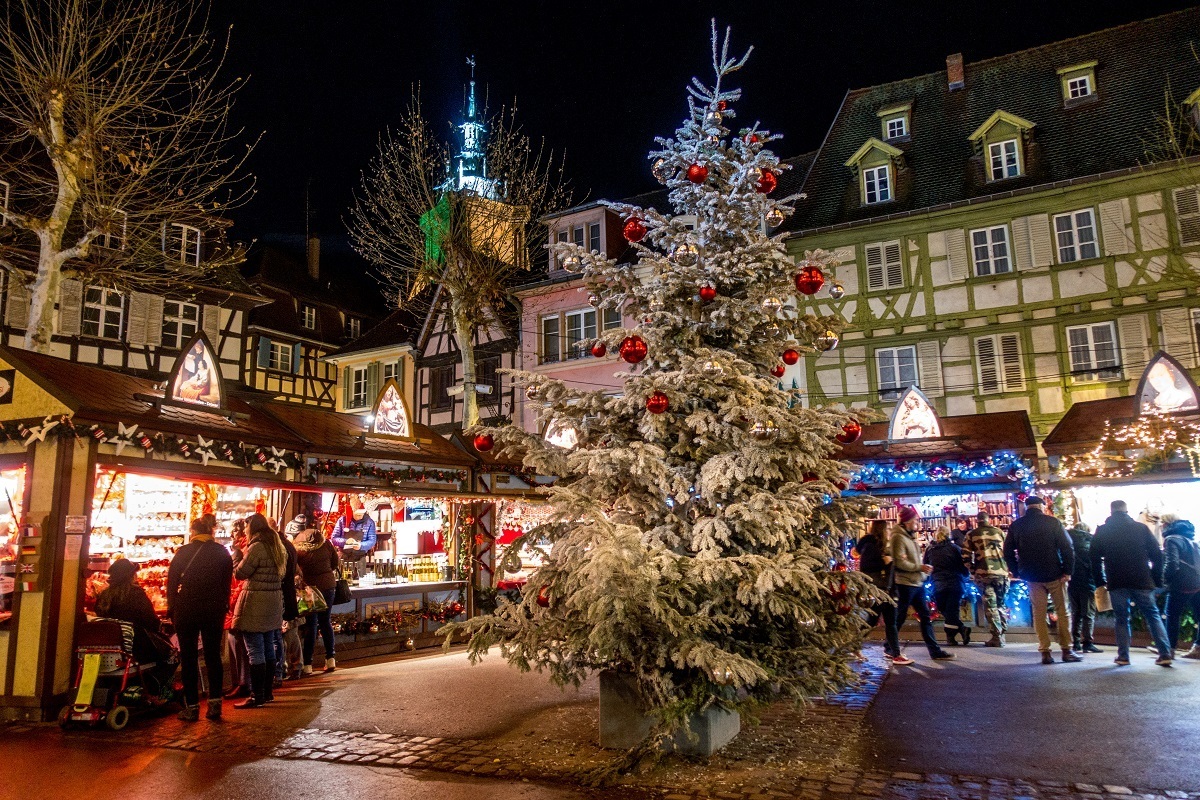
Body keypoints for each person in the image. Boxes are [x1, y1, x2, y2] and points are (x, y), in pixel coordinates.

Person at [1091, 500, 1174, 667]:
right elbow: (1157, 555)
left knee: (1121, 618)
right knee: (1153, 615)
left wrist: (1100, 581)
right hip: (1142, 579)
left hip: (1116, 580)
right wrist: (1155, 579)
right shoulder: (1140, 528)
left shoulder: (1103, 531)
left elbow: (1093, 557)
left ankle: (1123, 656)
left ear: (1111, 511)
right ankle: (1165, 653)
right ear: (1127, 510)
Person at [168, 515, 234, 721]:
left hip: (187, 608)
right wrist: (223, 604)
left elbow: (171, 583)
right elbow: (227, 584)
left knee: (188, 658)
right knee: (213, 656)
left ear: (194, 532)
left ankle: (192, 706)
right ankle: (215, 704)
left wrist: (172, 607)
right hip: (213, 609)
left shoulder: (183, 552)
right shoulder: (222, 552)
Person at [1004, 496, 1080, 665]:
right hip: (1055, 573)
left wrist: (1016, 571)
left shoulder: (1017, 525)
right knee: (1062, 612)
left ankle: (1045, 651)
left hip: (1031, 576)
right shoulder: (1052, 523)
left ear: (1026, 507)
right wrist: (1067, 571)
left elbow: (1007, 551)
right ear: (1041, 506)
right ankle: (1067, 649)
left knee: (1038, 613)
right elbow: (1067, 548)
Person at [96, 557, 174, 698]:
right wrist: (163, 626)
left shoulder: (103, 596)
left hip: (108, 651)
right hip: (136, 648)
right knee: (170, 654)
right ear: (131, 576)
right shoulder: (136, 595)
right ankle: (158, 691)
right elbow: (151, 621)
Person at [231, 514, 287, 707]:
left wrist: (236, 557)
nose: (245, 531)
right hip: (273, 602)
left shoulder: (256, 547)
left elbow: (241, 573)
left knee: (255, 651)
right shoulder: (276, 546)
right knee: (268, 648)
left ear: (252, 527)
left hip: (256, 602)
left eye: (246, 527)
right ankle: (267, 692)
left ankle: (257, 696)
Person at [888, 506, 954, 664]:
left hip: (916, 582)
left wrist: (923, 573)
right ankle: (890, 646)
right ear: (908, 521)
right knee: (900, 617)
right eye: (915, 520)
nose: (917, 523)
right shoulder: (898, 537)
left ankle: (934, 650)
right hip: (905, 583)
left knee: (924, 617)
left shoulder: (909, 537)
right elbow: (899, 562)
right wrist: (920, 568)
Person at [295, 525, 340, 674]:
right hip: (328, 586)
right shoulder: (326, 543)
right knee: (325, 622)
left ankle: (307, 664)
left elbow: (296, 569)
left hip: (309, 589)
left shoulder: (299, 548)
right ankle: (330, 658)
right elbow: (335, 563)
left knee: (311, 625)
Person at [962, 511, 1010, 647]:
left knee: (990, 606)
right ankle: (1002, 634)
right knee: (1001, 604)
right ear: (989, 520)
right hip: (1001, 573)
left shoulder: (971, 534)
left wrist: (973, 570)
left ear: (977, 521)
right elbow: (1008, 551)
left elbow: (965, 556)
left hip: (983, 574)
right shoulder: (999, 532)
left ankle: (996, 636)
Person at [924, 526, 971, 646]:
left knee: (946, 610)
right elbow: (962, 566)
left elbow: (925, 566)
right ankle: (960, 630)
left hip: (938, 584)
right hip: (955, 583)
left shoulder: (930, 549)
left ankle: (952, 637)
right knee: (951, 611)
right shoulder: (955, 548)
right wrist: (966, 575)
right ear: (948, 535)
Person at [1162, 517, 1200, 659]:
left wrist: (1165, 581)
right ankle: (1198, 648)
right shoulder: (1193, 541)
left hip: (1181, 585)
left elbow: (1172, 564)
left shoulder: (1171, 539)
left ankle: (1169, 649)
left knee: (1172, 615)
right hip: (1198, 582)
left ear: (1167, 524)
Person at [223, 519, 251, 700]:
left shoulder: (241, 552)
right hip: (238, 600)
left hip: (237, 602)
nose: (231, 535)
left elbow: (237, 579)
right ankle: (238, 682)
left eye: (234, 531)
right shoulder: (243, 550)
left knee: (238, 643)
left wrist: (231, 600)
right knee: (235, 643)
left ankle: (242, 683)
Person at [1067, 522, 1103, 654]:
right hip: (1087, 582)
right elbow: (1095, 564)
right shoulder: (1090, 542)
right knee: (1088, 613)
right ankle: (1087, 642)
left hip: (1071, 582)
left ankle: (1076, 642)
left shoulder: (1068, 542)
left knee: (1075, 613)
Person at [272, 522, 300, 691]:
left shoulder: (281, 547)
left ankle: (288, 668)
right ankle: (293, 667)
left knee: (287, 633)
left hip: (284, 595)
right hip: (288, 595)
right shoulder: (288, 545)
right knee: (288, 633)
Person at [331, 498, 376, 575]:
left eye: (362, 514)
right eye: (358, 514)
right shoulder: (342, 521)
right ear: (352, 511)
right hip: (343, 558)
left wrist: (361, 545)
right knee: (343, 581)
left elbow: (372, 541)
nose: (360, 516)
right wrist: (345, 541)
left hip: (360, 558)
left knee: (361, 582)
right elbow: (334, 539)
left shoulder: (370, 522)